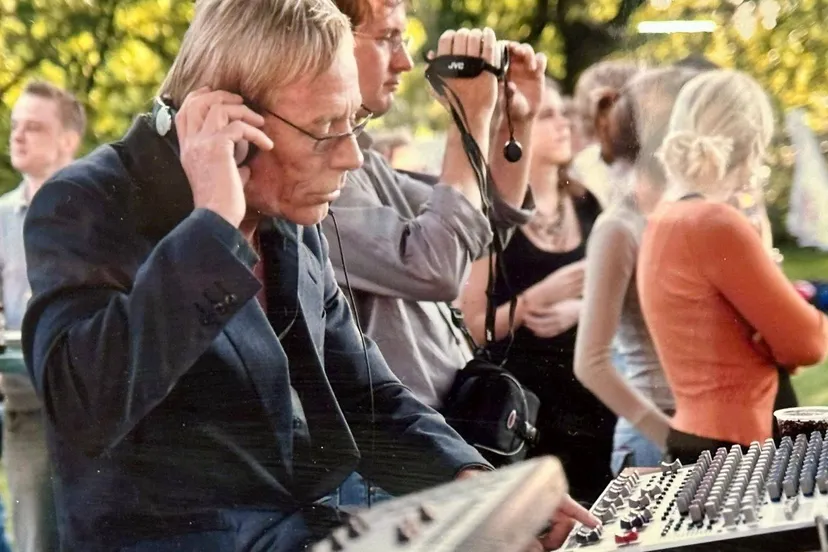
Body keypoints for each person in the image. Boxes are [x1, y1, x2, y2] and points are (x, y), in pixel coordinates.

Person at [21, 0, 596, 550]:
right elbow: (84, 407)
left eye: (355, 122)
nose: (350, 156)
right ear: (231, 123)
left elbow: (362, 395)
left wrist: (480, 490)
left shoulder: (287, 215)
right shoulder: (86, 202)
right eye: (326, 128)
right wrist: (212, 226)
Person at [638, 69, 828, 464]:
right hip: (737, 442)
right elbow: (808, 342)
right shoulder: (716, 222)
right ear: (754, 144)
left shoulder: (665, 218)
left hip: (696, 433)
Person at [460, 78, 614, 504]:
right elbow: (473, 329)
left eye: (563, 112)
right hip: (529, 417)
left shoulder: (586, 204)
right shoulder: (491, 215)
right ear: (509, 131)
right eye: (547, 115)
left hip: (596, 401)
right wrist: (532, 302)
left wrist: (581, 308)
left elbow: (618, 301)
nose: (563, 124)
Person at [573, 67, 697, 473]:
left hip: (700, 430)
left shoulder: (690, 215)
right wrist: (671, 439)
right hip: (655, 440)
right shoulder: (619, 228)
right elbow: (590, 363)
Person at [3, 80, 84, 552]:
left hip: (93, 410)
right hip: (26, 405)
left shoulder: (100, 209)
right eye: (15, 126)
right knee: (36, 541)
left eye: (33, 127)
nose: (18, 136)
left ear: (67, 140)